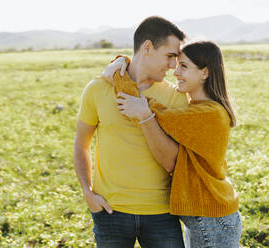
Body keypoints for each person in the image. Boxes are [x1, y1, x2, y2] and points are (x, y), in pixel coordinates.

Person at [104, 41, 242, 248]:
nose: (175, 73)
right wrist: (126, 62)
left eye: (184, 66)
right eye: (176, 65)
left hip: (212, 221)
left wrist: (121, 68)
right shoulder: (200, 109)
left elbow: (140, 104)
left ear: (205, 73)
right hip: (208, 217)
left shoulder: (206, 114)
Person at [73, 16, 188, 247]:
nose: (173, 66)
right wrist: (87, 192)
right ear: (147, 47)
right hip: (110, 211)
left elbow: (173, 162)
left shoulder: (176, 98)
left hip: (162, 213)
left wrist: (146, 116)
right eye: (170, 56)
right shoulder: (98, 88)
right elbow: (80, 144)